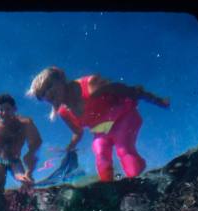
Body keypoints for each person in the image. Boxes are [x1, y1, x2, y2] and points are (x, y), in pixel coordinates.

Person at [27, 66, 170, 182]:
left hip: (124, 117)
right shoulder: (64, 112)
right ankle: (108, 189)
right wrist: (69, 148)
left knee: (123, 148)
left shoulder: (90, 85)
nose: (46, 95)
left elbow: (128, 90)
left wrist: (156, 100)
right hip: (102, 131)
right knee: (100, 155)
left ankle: (137, 180)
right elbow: (78, 132)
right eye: (41, 95)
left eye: (48, 86)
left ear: (61, 79)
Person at [0, 94, 42, 193]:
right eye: (1, 110)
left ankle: (26, 199)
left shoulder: (25, 124)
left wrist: (30, 156)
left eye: (7, 109)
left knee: (25, 179)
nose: (4, 113)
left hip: (15, 160)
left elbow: (37, 142)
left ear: (14, 109)